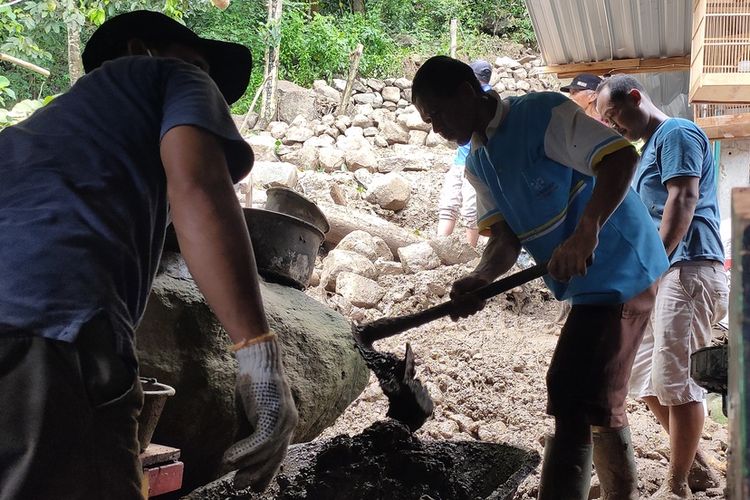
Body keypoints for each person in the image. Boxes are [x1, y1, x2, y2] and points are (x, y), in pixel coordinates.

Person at [0, 10, 297, 499]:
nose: (212, 93)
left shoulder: (34, 137)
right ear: (141, 51)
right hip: (46, 330)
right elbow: (198, 188)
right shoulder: (169, 75)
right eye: (202, 68)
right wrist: (260, 358)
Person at [412, 55, 669, 499]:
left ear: (467, 90)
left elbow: (619, 159)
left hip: (625, 267)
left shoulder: (541, 113)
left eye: (437, 112)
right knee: (594, 399)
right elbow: (505, 238)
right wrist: (481, 278)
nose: (435, 126)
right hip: (590, 287)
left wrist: (587, 231)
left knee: (570, 390)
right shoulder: (478, 161)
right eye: (426, 119)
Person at [597, 75, 728, 499]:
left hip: (687, 267)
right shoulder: (646, 149)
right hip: (662, 272)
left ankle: (676, 486)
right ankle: (698, 466)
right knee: (645, 380)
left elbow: (683, 199)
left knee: (678, 380)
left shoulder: (676, 132)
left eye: (614, 115)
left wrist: (654, 264)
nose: (614, 126)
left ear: (636, 97)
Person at [436, 60, 493, 247]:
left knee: (462, 207)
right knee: (457, 205)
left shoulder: (480, 98)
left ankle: (465, 250)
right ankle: (447, 247)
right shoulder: (485, 98)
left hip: (474, 162)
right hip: (463, 160)